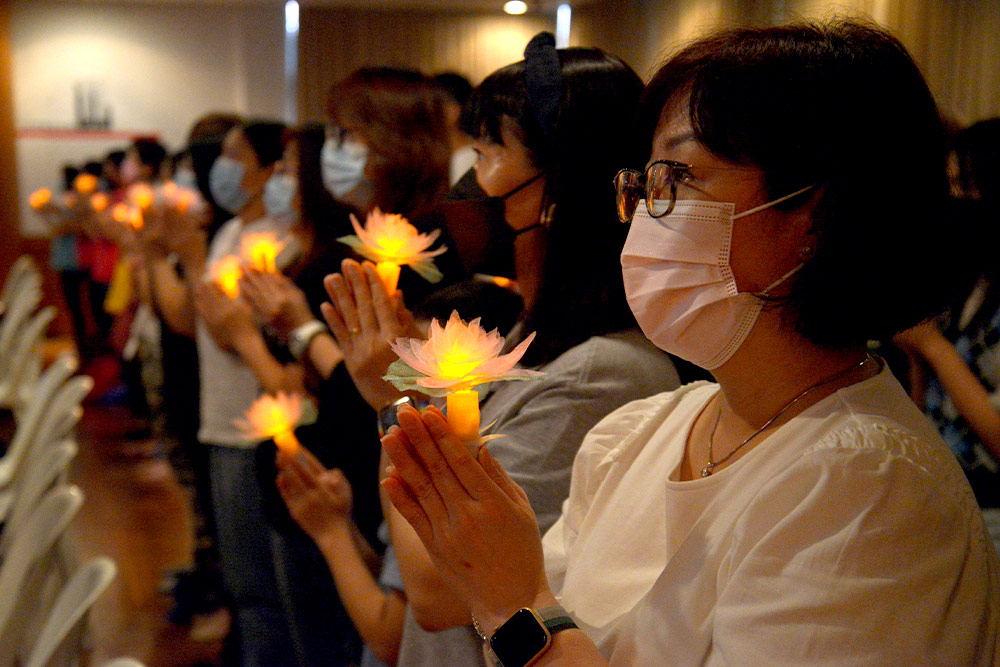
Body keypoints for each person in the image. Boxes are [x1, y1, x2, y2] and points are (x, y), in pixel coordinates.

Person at [380, 20, 1000, 666]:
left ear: (815, 217)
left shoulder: (867, 486)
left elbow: (527, 616)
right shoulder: (639, 434)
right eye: (646, 181)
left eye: (679, 178)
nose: (648, 213)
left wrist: (514, 604)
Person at [323, 33, 679, 665]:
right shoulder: (528, 334)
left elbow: (438, 594)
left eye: (487, 153)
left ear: (558, 187)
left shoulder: (602, 374)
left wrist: (395, 400)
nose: (467, 182)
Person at [896, 117, 1000, 552]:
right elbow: (927, 408)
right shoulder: (969, 279)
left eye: (968, 187)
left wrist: (933, 348)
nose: (956, 201)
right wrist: (918, 352)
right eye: (952, 186)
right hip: (941, 495)